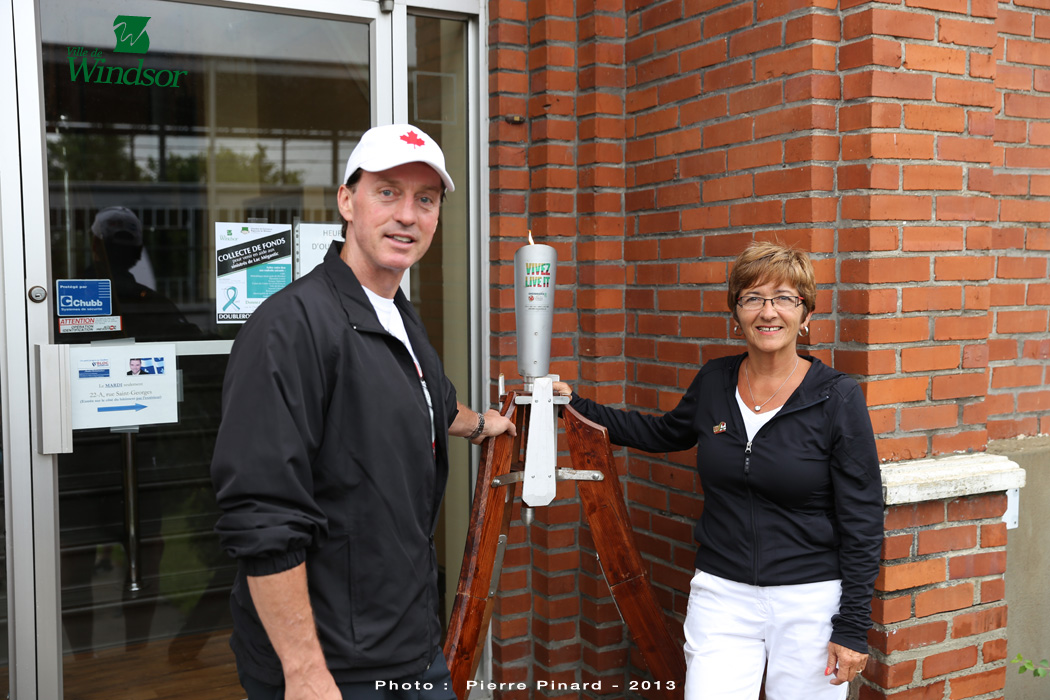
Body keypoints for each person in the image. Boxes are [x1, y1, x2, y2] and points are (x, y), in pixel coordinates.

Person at [210, 123, 515, 700]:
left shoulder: (398, 312)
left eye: (425, 199)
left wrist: (482, 426)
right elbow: (261, 516)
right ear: (347, 201)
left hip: (408, 635)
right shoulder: (290, 327)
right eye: (387, 192)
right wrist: (303, 672)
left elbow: (427, 395)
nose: (407, 214)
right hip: (332, 666)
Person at [555, 241, 883, 699]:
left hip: (808, 602)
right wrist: (570, 405)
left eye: (785, 298)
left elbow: (863, 518)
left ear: (805, 315)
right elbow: (661, 433)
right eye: (752, 298)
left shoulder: (837, 397)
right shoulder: (715, 380)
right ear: (737, 314)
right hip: (723, 595)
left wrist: (851, 627)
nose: (768, 312)